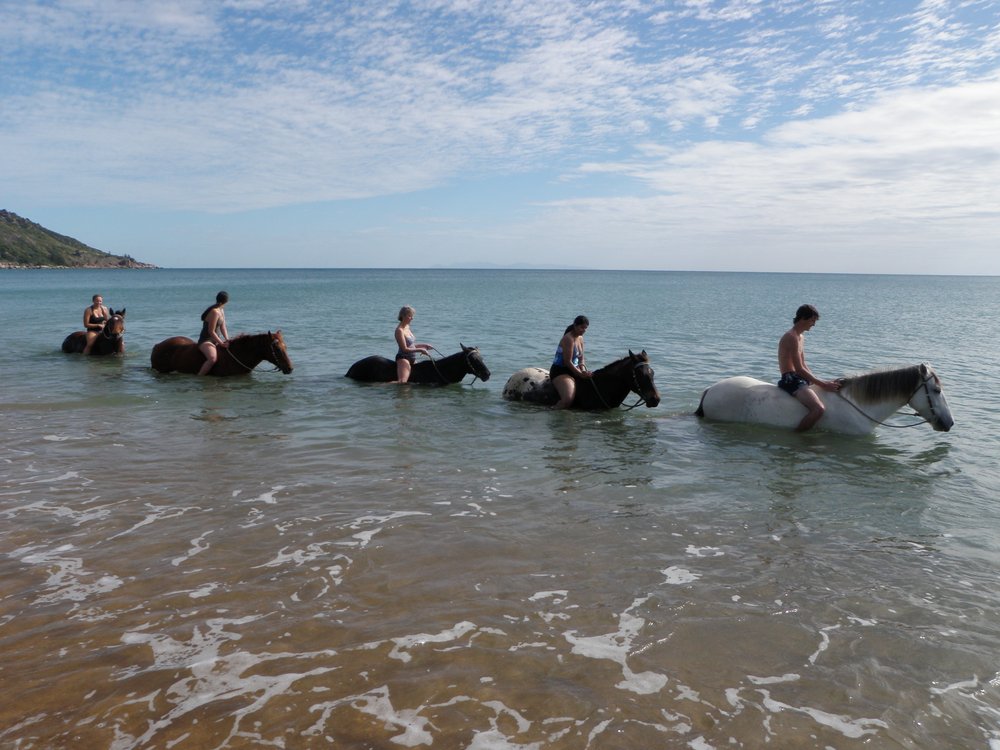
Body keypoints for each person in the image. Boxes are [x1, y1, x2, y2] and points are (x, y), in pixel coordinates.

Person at [777, 304, 841, 431]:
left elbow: (803, 364)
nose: (813, 324)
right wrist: (823, 384)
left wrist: (818, 380)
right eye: (812, 320)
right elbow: (799, 368)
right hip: (791, 379)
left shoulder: (801, 337)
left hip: (799, 377)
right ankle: (797, 438)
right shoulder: (791, 337)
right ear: (802, 318)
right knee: (818, 409)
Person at [551, 315, 592, 409]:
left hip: (575, 369)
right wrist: (580, 374)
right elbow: (567, 362)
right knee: (567, 400)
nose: (584, 330)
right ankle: (551, 411)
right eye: (582, 327)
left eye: (586, 328)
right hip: (561, 371)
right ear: (575, 325)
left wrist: (583, 370)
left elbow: (581, 358)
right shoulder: (568, 339)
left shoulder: (580, 338)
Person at [394, 305, 433, 383]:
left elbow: (411, 345)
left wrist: (424, 345)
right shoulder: (399, 330)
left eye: (412, 316)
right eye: (410, 316)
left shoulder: (407, 327)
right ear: (403, 316)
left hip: (413, 359)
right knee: (402, 382)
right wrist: (420, 350)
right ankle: (381, 385)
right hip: (403, 358)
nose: (412, 318)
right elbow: (405, 348)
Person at [197, 291, 230, 376]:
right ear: (227, 301)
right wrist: (221, 343)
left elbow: (223, 327)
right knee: (212, 359)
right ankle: (199, 377)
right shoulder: (214, 312)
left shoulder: (221, 310)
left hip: (215, 340)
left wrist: (227, 339)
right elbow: (211, 331)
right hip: (206, 340)